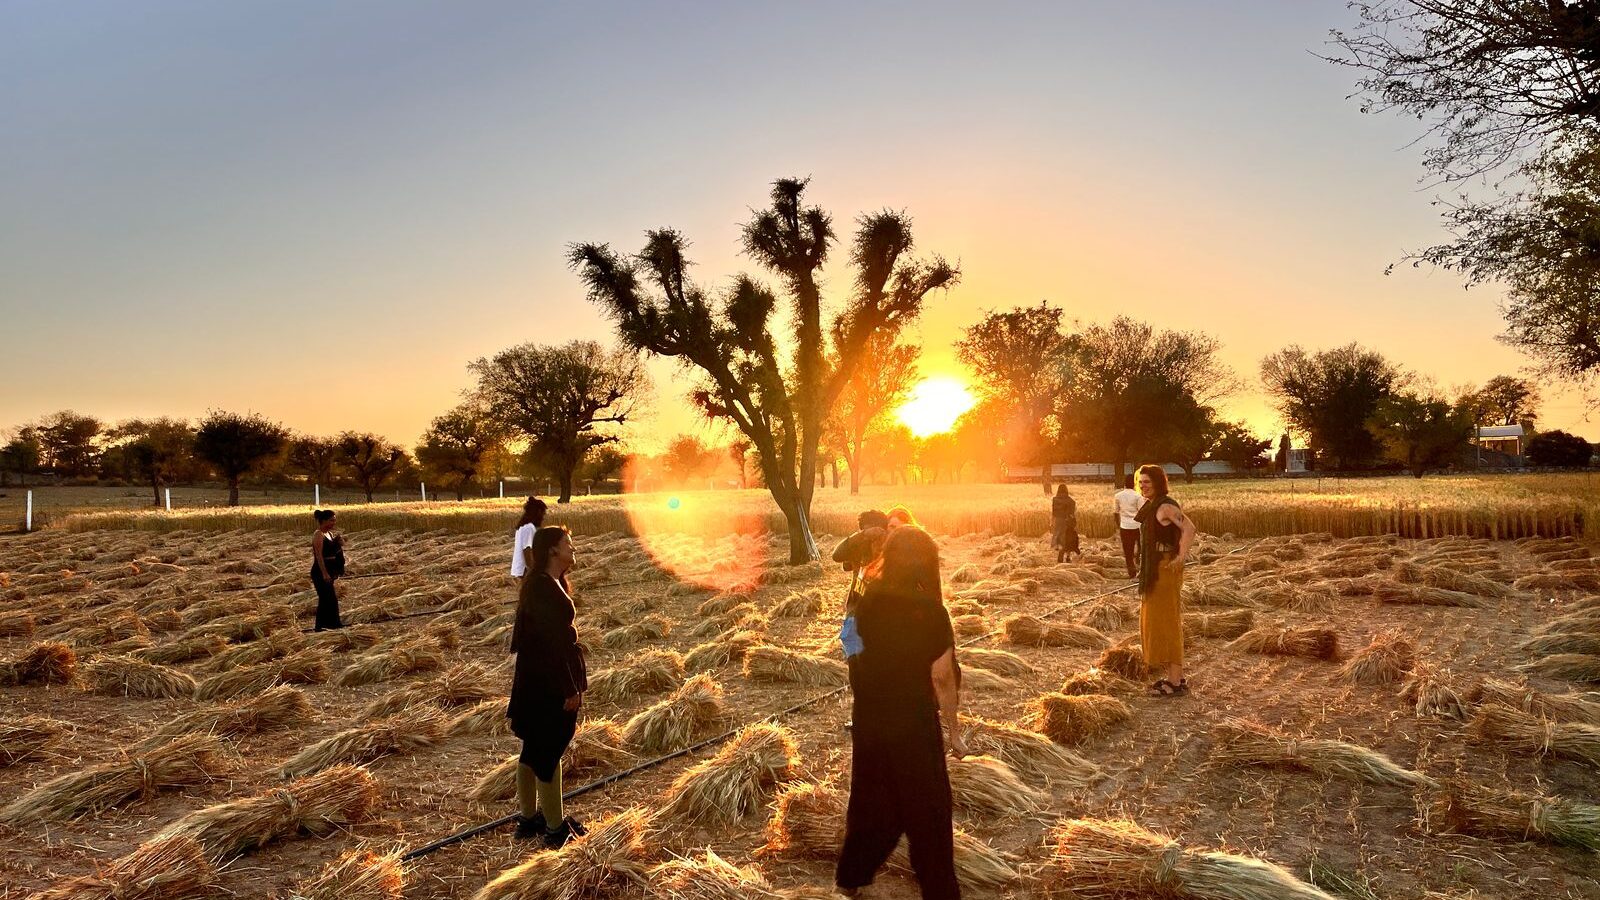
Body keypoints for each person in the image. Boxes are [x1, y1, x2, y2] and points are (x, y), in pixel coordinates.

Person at [836, 525, 966, 900]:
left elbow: (850, 646)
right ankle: (940, 892)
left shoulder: (866, 602)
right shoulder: (932, 612)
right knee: (929, 811)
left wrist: (864, 685)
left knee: (871, 800)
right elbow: (942, 678)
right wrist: (954, 731)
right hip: (913, 725)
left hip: (869, 721)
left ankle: (852, 875)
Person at [507, 525, 588, 846]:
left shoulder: (546, 582)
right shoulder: (542, 588)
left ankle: (528, 819)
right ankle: (555, 829)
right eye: (568, 543)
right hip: (547, 684)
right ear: (553, 550)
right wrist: (568, 688)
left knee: (532, 750)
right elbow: (550, 646)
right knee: (548, 752)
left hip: (536, 681)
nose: (573, 548)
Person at [1135, 464, 1196, 697]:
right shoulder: (1152, 506)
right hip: (1155, 569)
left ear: (1158, 483)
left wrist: (1181, 557)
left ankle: (1175, 682)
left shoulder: (1166, 506)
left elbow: (1189, 529)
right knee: (1158, 622)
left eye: (1148, 482)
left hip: (1164, 569)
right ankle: (1174, 676)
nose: (1143, 486)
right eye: (1141, 482)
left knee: (1167, 622)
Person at [309, 510, 344, 631]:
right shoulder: (318, 534)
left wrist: (339, 543)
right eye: (331, 520)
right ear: (323, 521)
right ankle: (321, 628)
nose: (334, 523)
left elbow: (333, 551)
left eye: (334, 520)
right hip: (320, 571)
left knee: (331, 599)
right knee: (325, 599)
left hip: (330, 570)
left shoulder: (329, 533)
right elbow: (319, 555)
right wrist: (324, 573)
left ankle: (332, 625)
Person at [509, 497, 548, 585]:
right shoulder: (528, 528)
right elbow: (527, 551)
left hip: (521, 569)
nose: (543, 517)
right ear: (538, 512)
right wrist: (533, 572)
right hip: (524, 570)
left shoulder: (523, 526)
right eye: (543, 513)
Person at [1113, 474, 1142, 579]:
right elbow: (1141, 512)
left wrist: (1118, 526)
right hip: (1137, 526)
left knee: (1128, 551)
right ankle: (1139, 564)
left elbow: (1116, 512)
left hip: (1124, 526)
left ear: (1124, 483)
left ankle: (1131, 572)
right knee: (1140, 547)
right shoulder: (1138, 496)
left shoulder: (1118, 496)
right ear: (1134, 483)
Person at [1051, 484, 1079, 563]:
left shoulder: (1055, 499)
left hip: (1058, 522)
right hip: (1067, 521)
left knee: (1060, 539)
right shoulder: (1070, 500)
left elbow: (1053, 513)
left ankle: (1060, 556)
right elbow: (1072, 513)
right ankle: (1068, 557)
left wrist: (1052, 522)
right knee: (1068, 539)